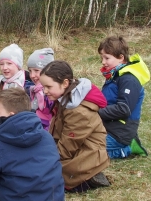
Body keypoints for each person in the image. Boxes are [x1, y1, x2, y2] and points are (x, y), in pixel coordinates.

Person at [40, 61, 111, 192]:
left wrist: (46, 159)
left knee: (42, 175)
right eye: (43, 87)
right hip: (75, 149)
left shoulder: (78, 111)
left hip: (88, 153)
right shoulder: (66, 98)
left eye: (48, 87)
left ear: (65, 83)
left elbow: (68, 146)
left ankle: (89, 177)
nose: (45, 91)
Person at [97, 35, 151, 159]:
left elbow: (123, 109)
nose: (103, 62)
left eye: (107, 58)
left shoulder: (129, 80)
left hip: (119, 132)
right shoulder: (115, 75)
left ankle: (127, 148)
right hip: (106, 126)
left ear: (121, 58)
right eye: (102, 57)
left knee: (92, 153)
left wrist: (97, 112)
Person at [25, 47, 55, 129]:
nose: (32, 75)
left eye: (36, 70)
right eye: (30, 71)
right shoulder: (33, 90)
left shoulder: (52, 94)